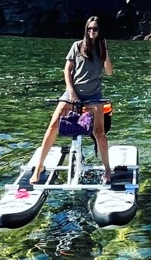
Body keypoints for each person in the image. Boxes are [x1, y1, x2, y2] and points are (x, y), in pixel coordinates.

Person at [30, 16, 114, 185]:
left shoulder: (102, 47)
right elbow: (67, 70)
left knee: (99, 133)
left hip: (94, 95)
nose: (92, 32)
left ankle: (107, 169)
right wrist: (71, 91)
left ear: (100, 31)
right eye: (89, 29)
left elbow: (109, 72)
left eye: (95, 29)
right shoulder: (76, 46)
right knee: (53, 125)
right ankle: (39, 167)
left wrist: (105, 51)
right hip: (72, 92)